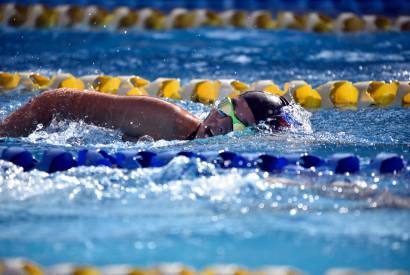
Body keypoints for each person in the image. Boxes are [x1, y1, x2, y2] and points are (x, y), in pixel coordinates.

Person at [0, 88, 291, 140]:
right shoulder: (164, 119)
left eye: (239, 124)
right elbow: (54, 102)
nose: (220, 121)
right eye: (228, 107)